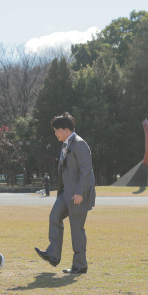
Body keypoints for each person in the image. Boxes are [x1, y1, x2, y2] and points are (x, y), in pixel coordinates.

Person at [35, 112, 95, 274]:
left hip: (78, 195)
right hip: (65, 193)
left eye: (57, 130)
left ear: (66, 129)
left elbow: (86, 171)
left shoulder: (80, 144)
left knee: (77, 230)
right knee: (54, 217)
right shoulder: (66, 144)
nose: (55, 133)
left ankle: (80, 265)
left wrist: (80, 192)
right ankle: (53, 255)